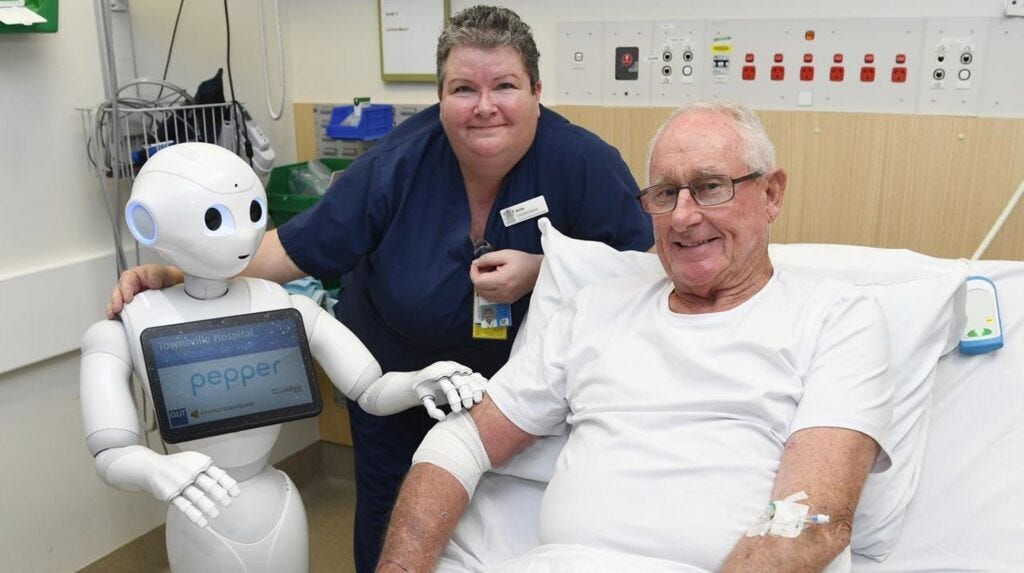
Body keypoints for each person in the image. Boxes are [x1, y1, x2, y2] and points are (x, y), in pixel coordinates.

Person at [106, 6, 653, 571]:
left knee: (508, 524)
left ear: (537, 90)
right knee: (393, 517)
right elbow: (292, 251)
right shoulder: (398, 163)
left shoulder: (584, 165)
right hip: (396, 383)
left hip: (520, 394)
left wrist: (544, 269)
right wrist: (183, 274)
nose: (485, 106)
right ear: (440, 97)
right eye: (464, 88)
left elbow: (641, 273)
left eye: (506, 86)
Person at [377, 102, 894, 572]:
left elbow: (808, 519)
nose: (685, 217)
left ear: (772, 193)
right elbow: (461, 442)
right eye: (666, 193)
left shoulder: (836, 318)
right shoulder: (597, 309)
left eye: (711, 186)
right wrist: (402, 566)